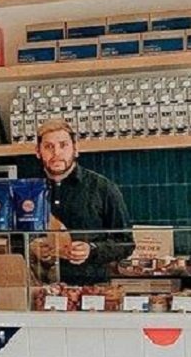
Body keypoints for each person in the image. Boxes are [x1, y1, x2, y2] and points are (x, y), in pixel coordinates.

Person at [30, 119, 132, 285]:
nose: (56, 153)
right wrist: (32, 246)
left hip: (92, 290)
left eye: (63, 145)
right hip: (38, 290)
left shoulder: (103, 188)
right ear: (38, 151)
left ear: (76, 149)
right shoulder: (27, 190)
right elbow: (10, 238)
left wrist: (91, 250)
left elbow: (126, 243)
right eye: (49, 147)